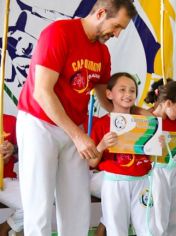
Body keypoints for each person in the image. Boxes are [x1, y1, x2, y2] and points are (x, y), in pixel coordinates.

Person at [16, 1, 137, 235]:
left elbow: (107, 99)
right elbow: (42, 92)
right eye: (117, 26)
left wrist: (141, 115)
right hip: (38, 123)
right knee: (38, 207)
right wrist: (78, 136)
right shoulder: (59, 33)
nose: (118, 34)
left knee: (77, 204)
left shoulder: (102, 51)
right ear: (101, 13)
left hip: (73, 127)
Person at [89, 72, 153, 236]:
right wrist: (102, 145)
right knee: (116, 231)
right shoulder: (102, 124)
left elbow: (153, 156)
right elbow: (92, 163)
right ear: (109, 94)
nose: (128, 94)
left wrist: (156, 144)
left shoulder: (144, 123)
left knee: (147, 229)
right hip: (114, 183)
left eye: (132, 91)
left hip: (142, 181)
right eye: (122, 90)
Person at [146, 80, 176, 236]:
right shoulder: (148, 120)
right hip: (155, 172)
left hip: (175, 172)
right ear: (168, 103)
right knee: (159, 214)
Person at [0, 114, 23, 235]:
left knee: (33, 204)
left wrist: (12, 150)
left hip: (5, 181)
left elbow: (23, 153)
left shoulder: (10, 120)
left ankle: (3, 228)